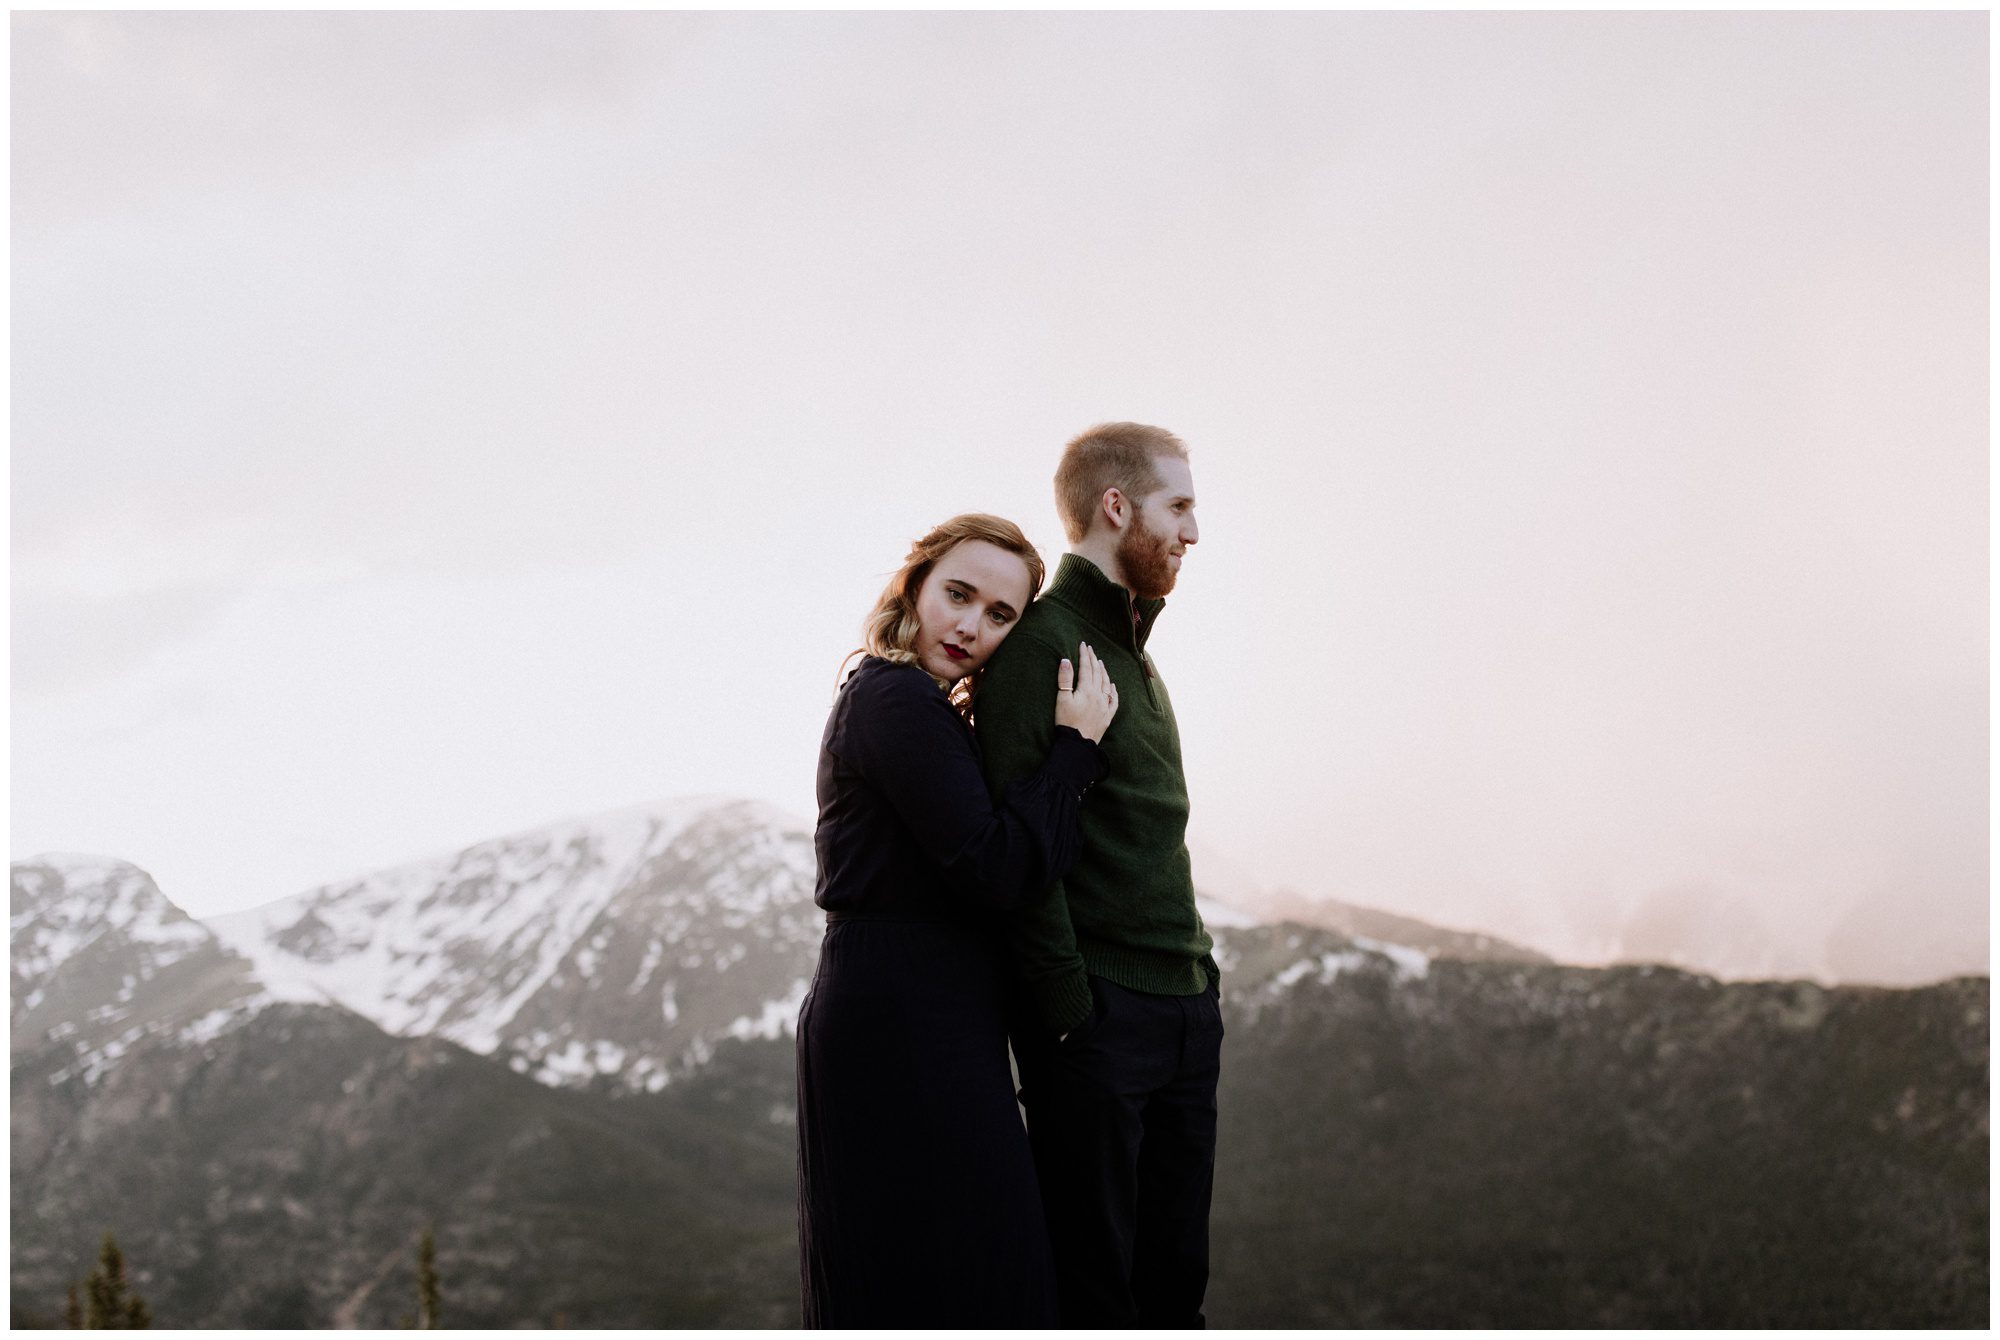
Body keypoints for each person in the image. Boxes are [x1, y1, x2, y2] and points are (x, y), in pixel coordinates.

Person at [795, 512, 1121, 1328]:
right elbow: (997, 866)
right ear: (916, 587)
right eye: (959, 595)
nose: (971, 626)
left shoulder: (920, 706)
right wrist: (1075, 748)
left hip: (926, 1007)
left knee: (952, 1265)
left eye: (1000, 614)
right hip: (901, 1012)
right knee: (961, 1268)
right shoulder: (894, 696)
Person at [973, 422, 1222, 1327]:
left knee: (1175, 1290)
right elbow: (1021, 852)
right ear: (1116, 507)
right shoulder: (1040, 649)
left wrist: (1200, 985)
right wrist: (1071, 1010)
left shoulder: (1133, 651)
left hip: (1183, 1008)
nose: (1193, 532)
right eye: (1178, 506)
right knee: (1097, 1295)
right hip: (1101, 1024)